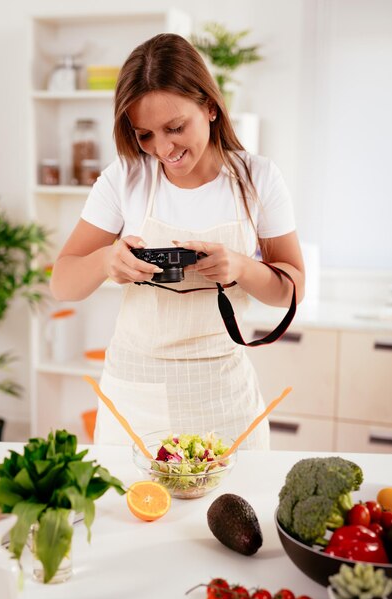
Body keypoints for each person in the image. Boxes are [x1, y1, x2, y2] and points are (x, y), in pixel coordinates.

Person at [50, 33, 305, 449]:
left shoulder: (258, 178)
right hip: (135, 395)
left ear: (209, 105)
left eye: (175, 128)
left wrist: (242, 268)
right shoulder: (125, 178)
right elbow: (61, 282)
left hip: (223, 397)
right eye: (145, 135)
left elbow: (292, 289)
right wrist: (105, 262)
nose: (163, 149)